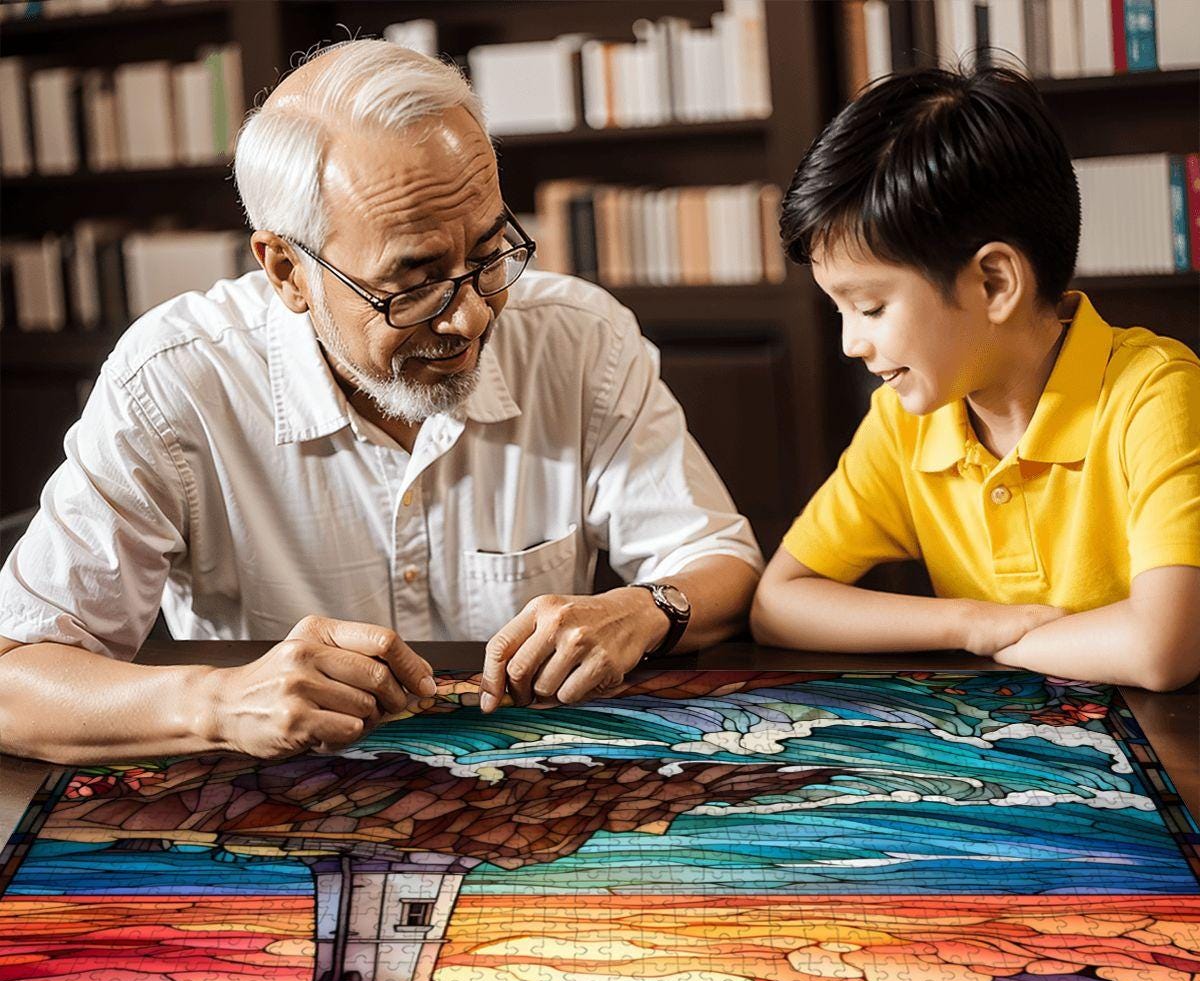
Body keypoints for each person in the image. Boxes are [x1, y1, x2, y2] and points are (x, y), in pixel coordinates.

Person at [0, 41, 762, 763]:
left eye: (491, 254)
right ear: (287, 271)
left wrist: (645, 608)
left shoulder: (580, 338)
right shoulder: (174, 382)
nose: (470, 318)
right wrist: (220, 701)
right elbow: (11, 682)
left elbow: (720, 561)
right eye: (415, 280)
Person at [751, 64, 1200, 692]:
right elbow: (780, 603)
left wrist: (1011, 640)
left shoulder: (1156, 393)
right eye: (839, 308)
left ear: (995, 283)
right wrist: (969, 623)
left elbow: (1162, 648)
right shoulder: (906, 420)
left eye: (871, 307)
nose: (851, 343)